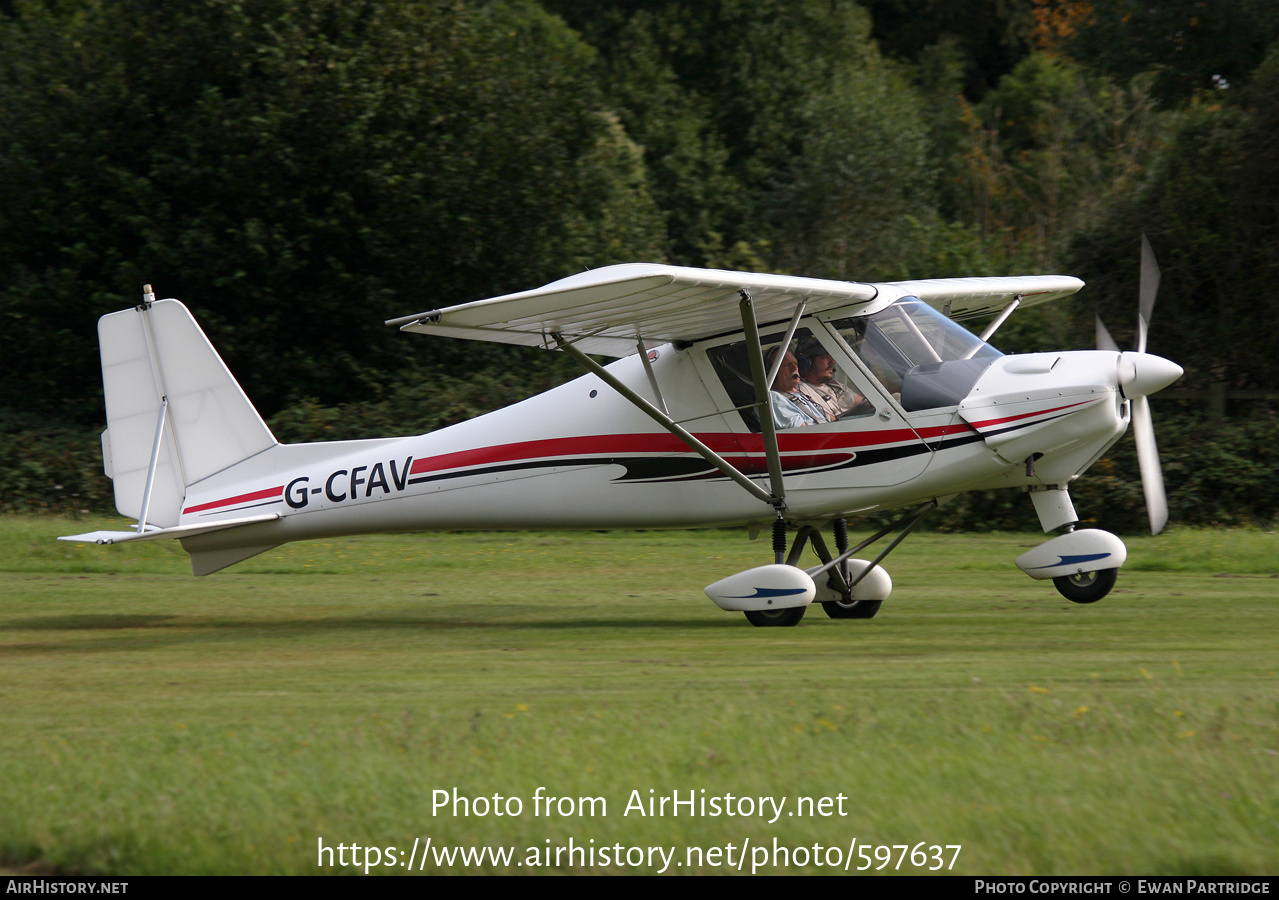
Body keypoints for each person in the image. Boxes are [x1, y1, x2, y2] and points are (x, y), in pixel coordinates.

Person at [796, 341, 869, 420]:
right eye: (825, 357)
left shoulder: (833, 385)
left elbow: (863, 403)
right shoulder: (801, 391)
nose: (832, 362)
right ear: (807, 362)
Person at [767, 348, 827, 428]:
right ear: (772, 372)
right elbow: (804, 433)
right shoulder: (773, 398)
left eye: (795, 364)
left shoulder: (799, 392)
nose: (795, 368)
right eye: (787, 365)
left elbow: (829, 419)